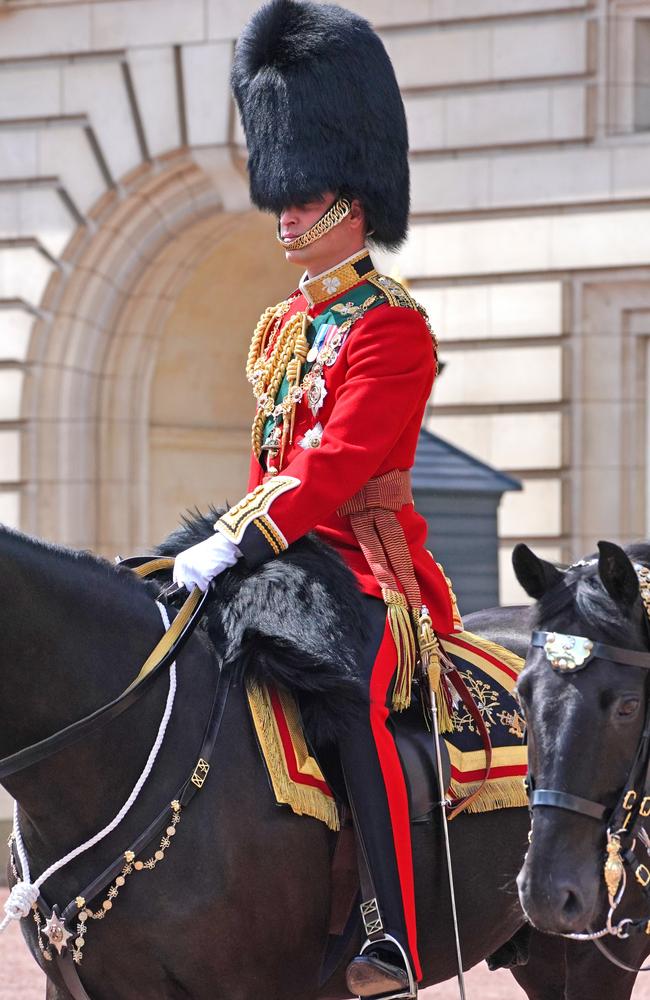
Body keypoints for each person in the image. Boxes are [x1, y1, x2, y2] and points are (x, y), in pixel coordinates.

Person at [173, 2, 461, 996]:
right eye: (282, 196)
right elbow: (269, 461)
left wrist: (245, 540)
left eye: (307, 196)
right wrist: (221, 545)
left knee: (348, 698)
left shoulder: (392, 329)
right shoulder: (281, 326)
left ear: (356, 202)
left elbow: (334, 464)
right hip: (275, 549)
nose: (286, 214)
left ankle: (391, 929)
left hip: (358, 563)